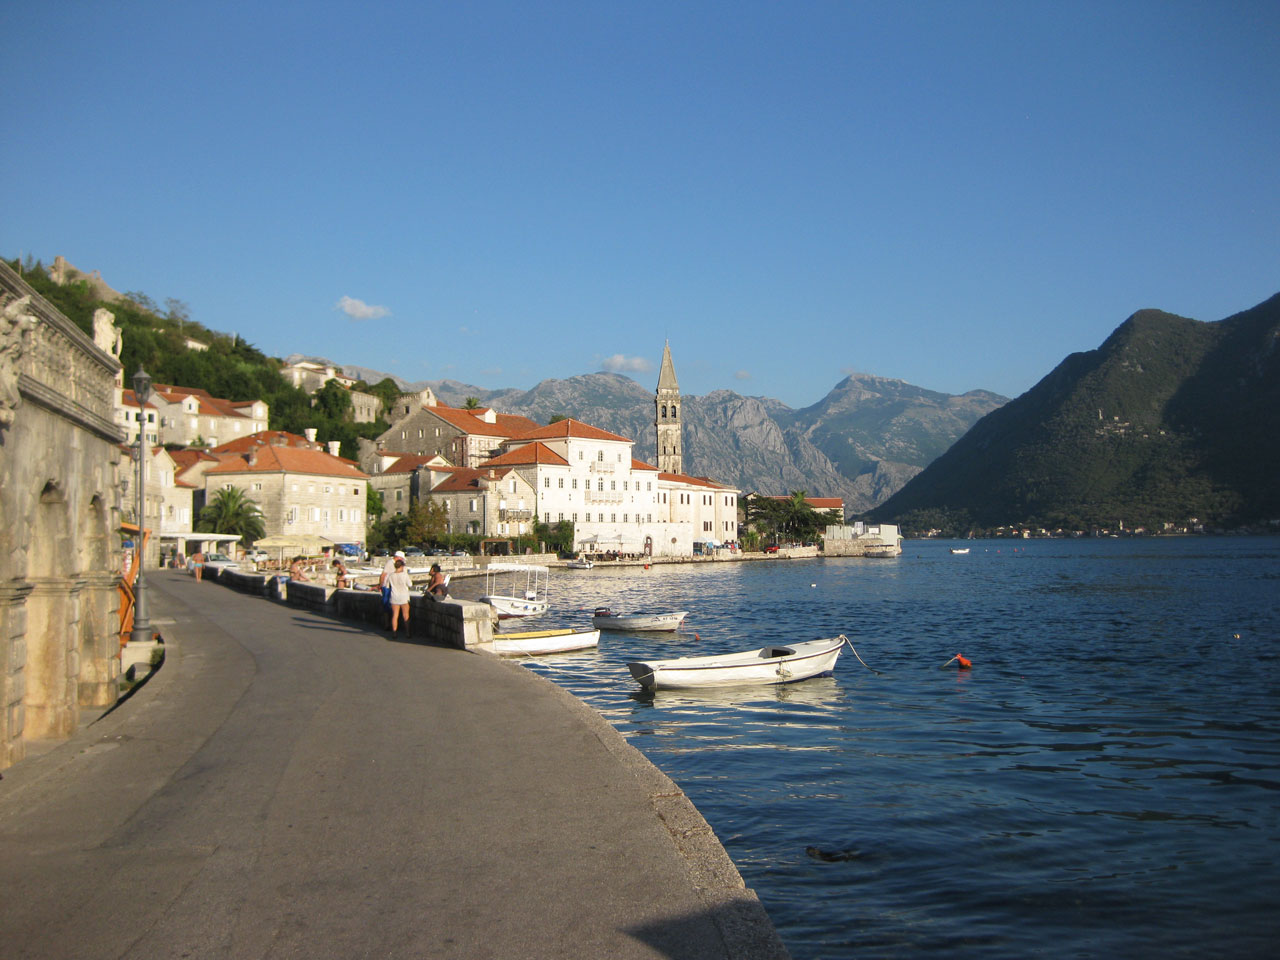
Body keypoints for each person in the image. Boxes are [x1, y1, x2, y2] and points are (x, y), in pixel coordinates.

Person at [387, 557, 413, 637]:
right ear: (402, 566)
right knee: (405, 615)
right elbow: (410, 584)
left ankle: (394, 632)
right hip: (404, 597)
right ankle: (407, 633)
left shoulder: (391, 575)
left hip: (394, 596)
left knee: (395, 615)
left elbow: (388, 586)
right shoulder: (404, 575)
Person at [380, 551, 404, 626]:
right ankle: (387, 624)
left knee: (390, 606)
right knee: (387, 606)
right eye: (402, 559)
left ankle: (389, 624)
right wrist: (381, 586)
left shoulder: (394, 563)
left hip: (391, 587)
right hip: (387, 587)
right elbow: (383, 575)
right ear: (398, 557)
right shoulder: (390, 563)